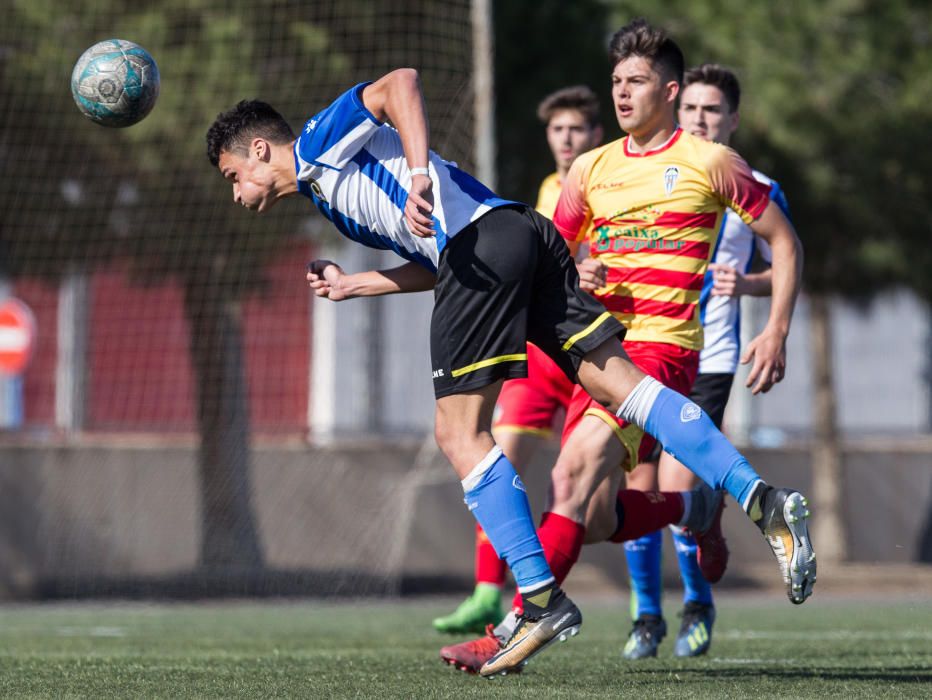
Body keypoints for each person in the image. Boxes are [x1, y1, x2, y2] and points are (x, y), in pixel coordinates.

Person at [206, 62, 814, 678]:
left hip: (482, 249)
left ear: (259, 149)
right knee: (625, 389)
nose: (236, 192)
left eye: (234, 176)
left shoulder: (314, 143)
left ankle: (540, 601)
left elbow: (401, 82)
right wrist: (357, 283)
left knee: (459, 435)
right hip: (520, 234)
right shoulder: (328, 191)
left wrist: (418, 173)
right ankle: (762, 499)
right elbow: (430, 256)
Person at [439, 18, 813, 672]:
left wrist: (776, 327)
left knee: (572, 472)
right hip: (600, 353)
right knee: (600, 512)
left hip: (665, 345)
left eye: (636, 80)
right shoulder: (590, 169)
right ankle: (693, 506)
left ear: (669, 91)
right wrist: (575, 269)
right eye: (616, 81)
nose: (622, 92)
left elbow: (784, 240)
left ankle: (517, 628)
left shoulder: (712, 163)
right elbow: (550, 255)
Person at [627, 62, 793, 660]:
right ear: (678, 110)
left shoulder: (758, 185)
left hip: (710, 357)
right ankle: (646, 616)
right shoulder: (646, 174)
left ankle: (697, 602)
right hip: (640, 349)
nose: (700, 118)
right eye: (691, 108)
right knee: (636, 486)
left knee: (675, 483)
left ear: (733, 119)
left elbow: (788, 259)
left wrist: (752, 293)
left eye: (712, 110)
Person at [432, 85, 603, 636]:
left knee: (595, 499)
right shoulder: (551, 188)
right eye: (558, 129)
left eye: (577, 129)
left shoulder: (605, 178)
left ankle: (648, 606)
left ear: (595, 136)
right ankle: (488, 590)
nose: (567, 138)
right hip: (539, 349)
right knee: (493, 454)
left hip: (589, 343)